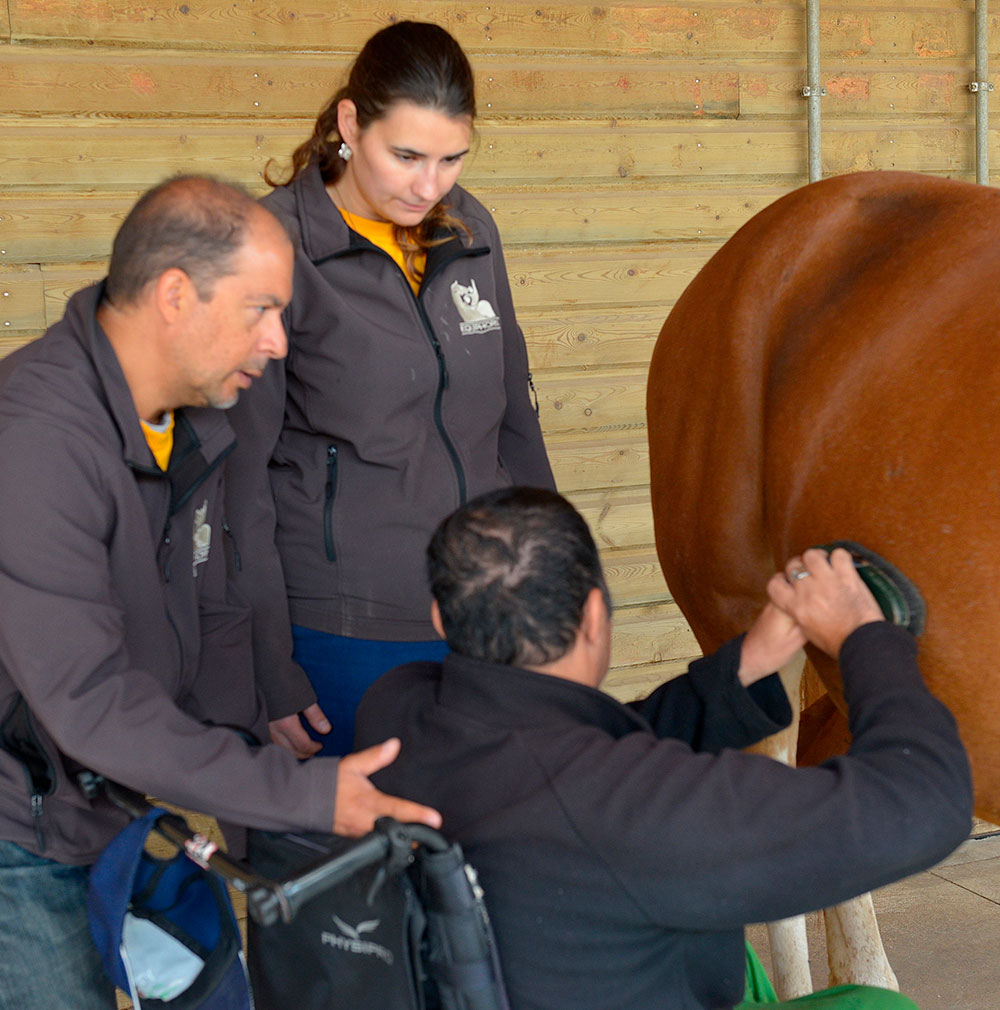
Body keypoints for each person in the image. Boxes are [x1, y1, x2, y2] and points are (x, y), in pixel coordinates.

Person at [0, 176, 440, 1010]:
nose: (279, 342)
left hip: (107, 803)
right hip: (20, 835)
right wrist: (303, 795)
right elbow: (88, 703)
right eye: (262, 310)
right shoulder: (35, 443)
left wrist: (257, 738)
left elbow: (207, 605)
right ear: (175, 295)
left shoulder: (188, 421)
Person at [354, 486, 974, 1010]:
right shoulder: (630, 811)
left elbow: (568, 748)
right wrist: (868, 640)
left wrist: (745, 669)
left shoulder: (396, 709)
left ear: (441, 617)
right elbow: (926, 800)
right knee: (876, 1004)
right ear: (595, 615)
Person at [227, 20, 555, 760]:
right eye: (406, 155)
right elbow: (235, 481)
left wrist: (553, 589)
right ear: (350, 123)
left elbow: (514, 429)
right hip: (341, 630)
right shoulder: (273, 249)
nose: (429, 185)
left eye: (451, 158)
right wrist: (266, 669)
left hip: (482, 617)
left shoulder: (471, 228)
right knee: (353, 858)